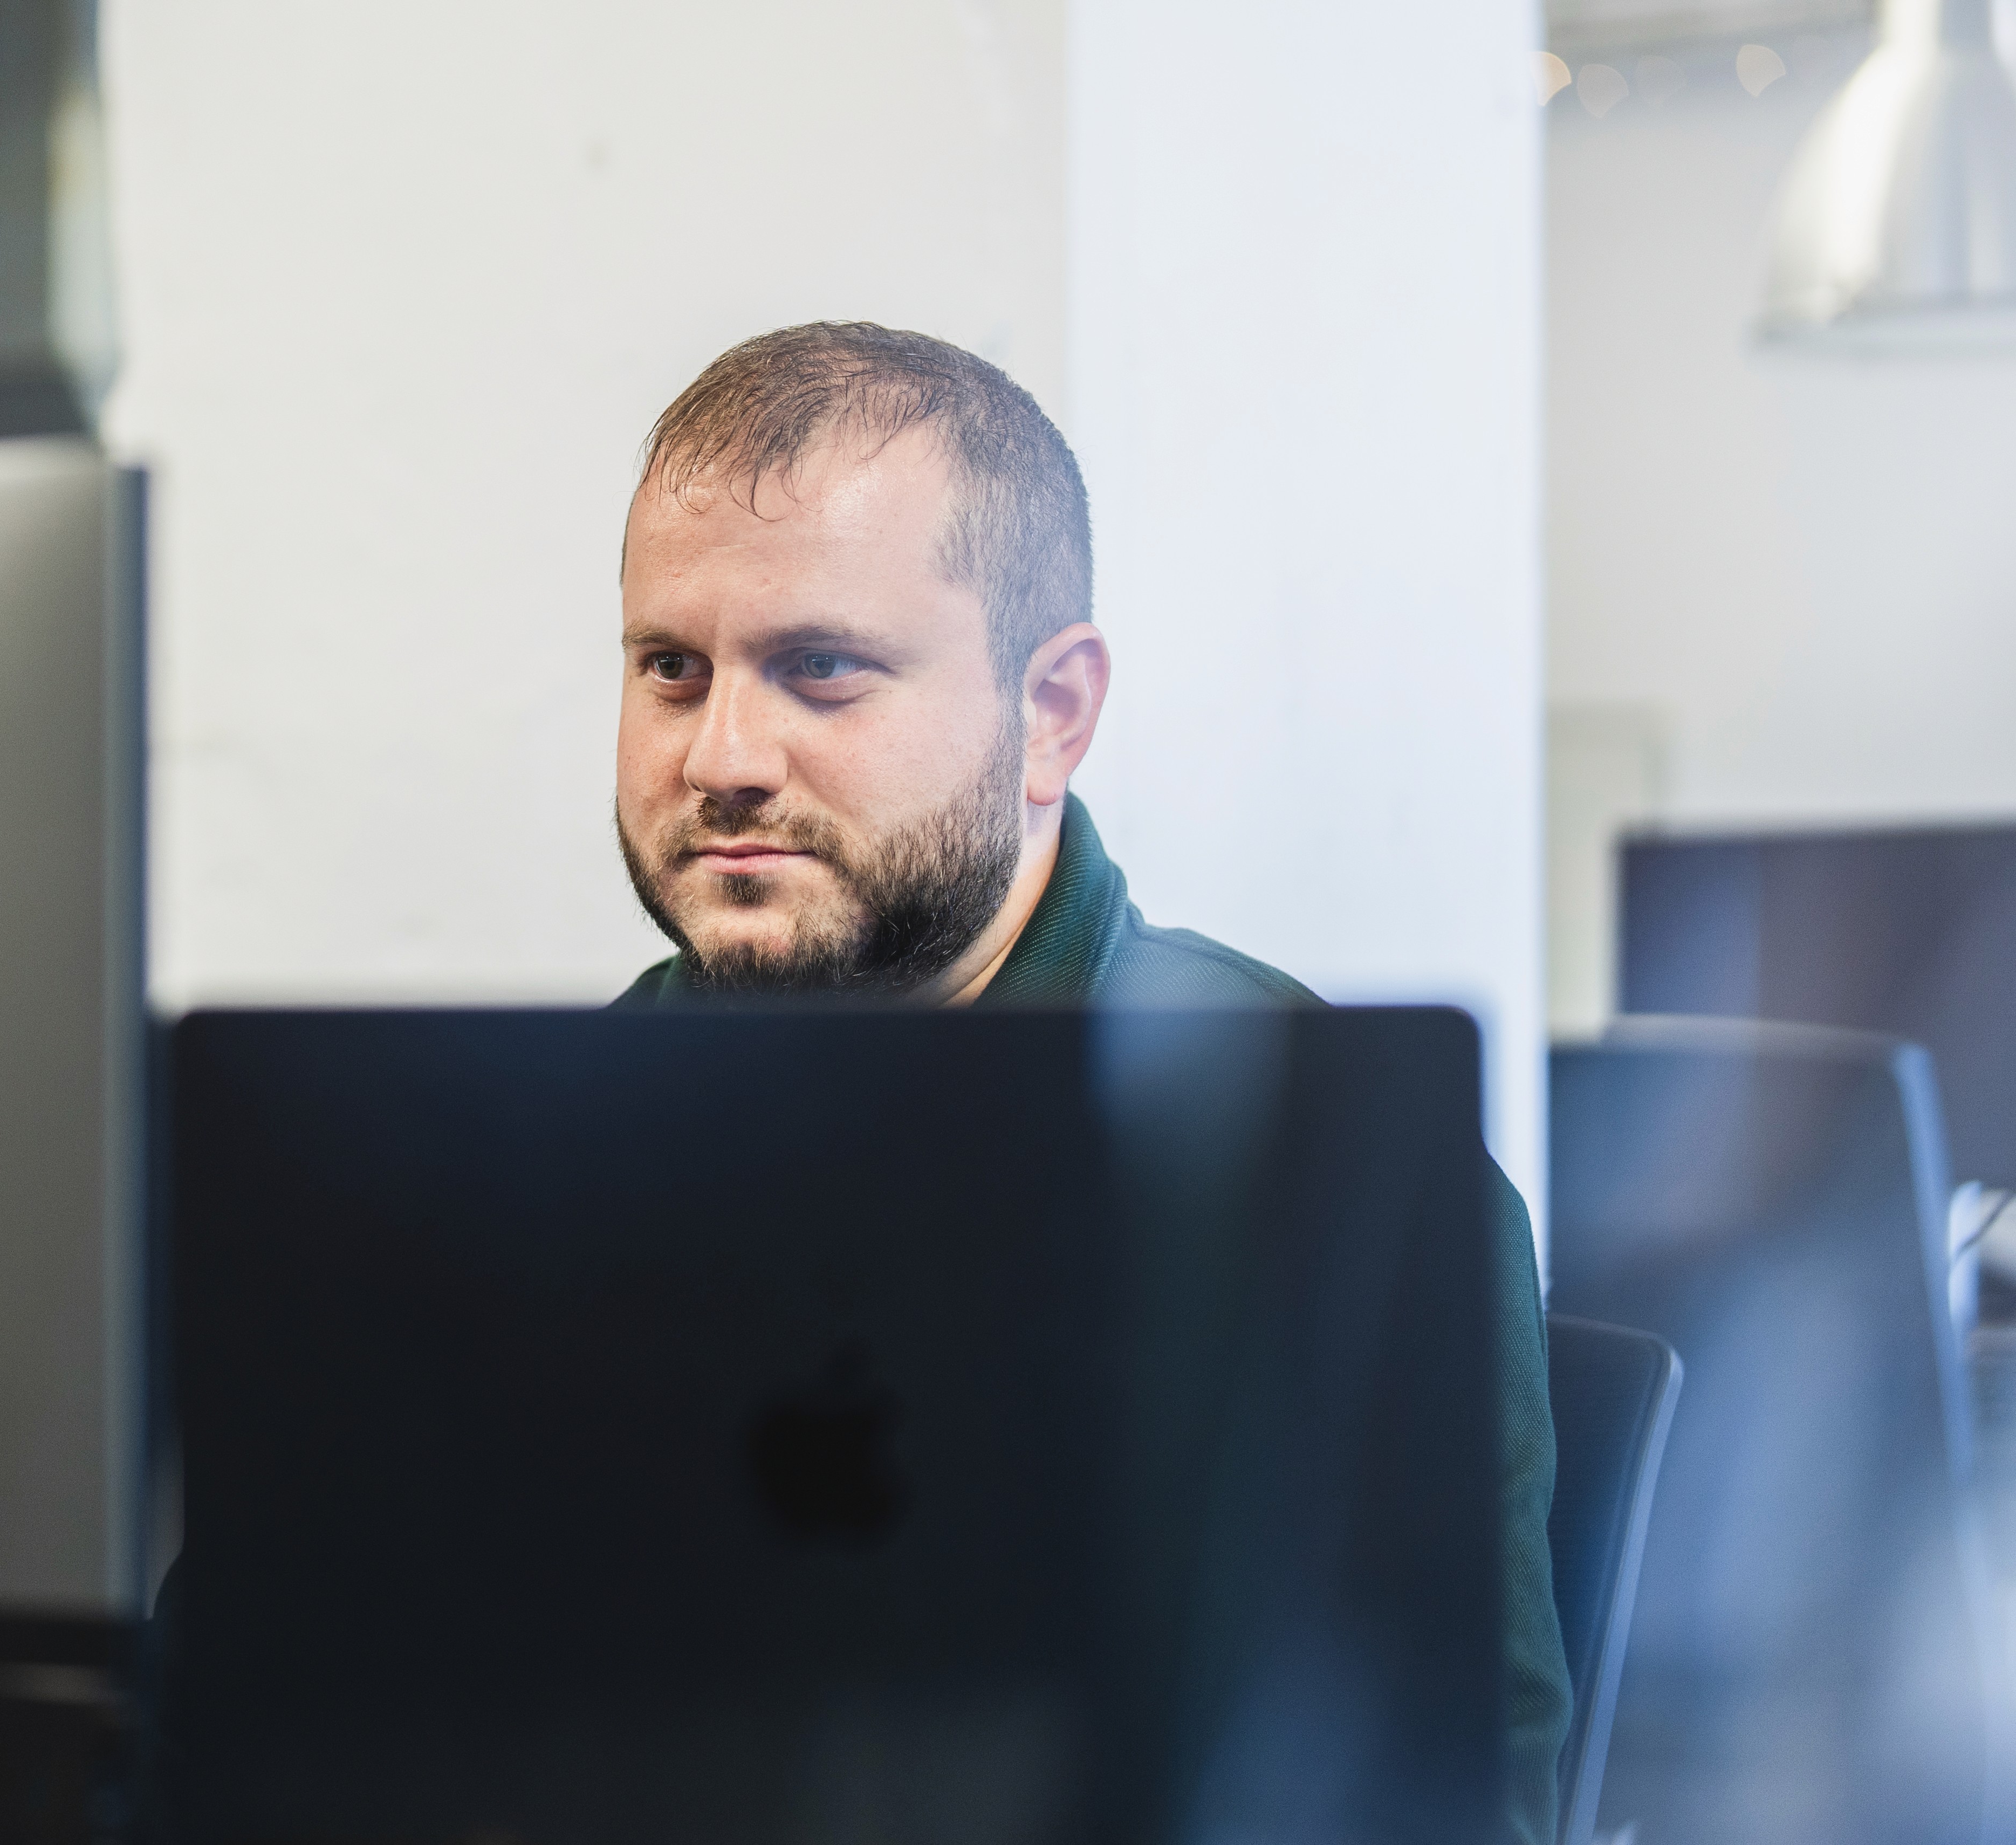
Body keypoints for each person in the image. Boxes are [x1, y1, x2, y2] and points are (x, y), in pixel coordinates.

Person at [609, 322, 1567, 1842]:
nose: (721, 753)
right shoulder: (562, 1136)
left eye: (819, 671)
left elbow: (1437, 1807)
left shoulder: (1309, 1153)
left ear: (1050, 715)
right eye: (672, 670)